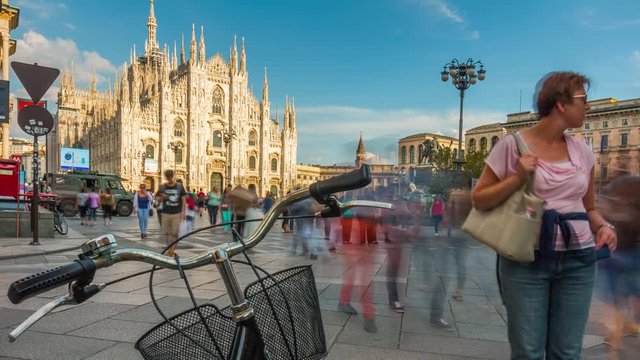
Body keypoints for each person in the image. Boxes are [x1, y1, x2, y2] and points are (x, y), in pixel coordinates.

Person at [472, 72, 617, 359]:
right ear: (561, 104)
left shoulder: (584, 152)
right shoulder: (511, 146)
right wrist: (517, 176)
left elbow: (589, 208)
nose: (588, 107)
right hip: (526, 258)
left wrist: (603, 226)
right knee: (528, 352)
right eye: (583, 100)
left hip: (579, 260)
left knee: (567, 352)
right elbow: (479, 200)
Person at [156, 170, 186, 257]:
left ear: (173, 176)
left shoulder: (179, 186)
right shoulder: (163, 187)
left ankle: (172, 250)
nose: (169, 178)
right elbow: (157, 198)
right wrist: (162, 198)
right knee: (167, 233)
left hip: (177, 213)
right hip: (165, 213)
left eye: (170, 176)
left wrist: (183, 212)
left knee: (175, 233)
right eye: (168, 177)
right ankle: (170, 250)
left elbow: (184, 200)